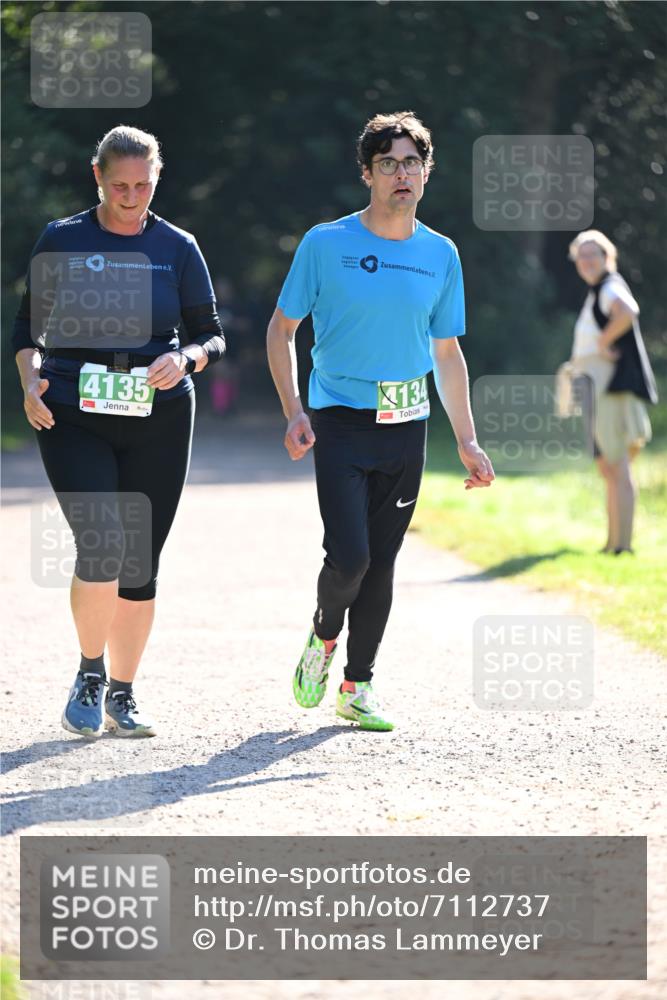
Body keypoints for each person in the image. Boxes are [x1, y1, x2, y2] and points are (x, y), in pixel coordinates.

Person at [267, 111, 494, 732]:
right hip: (338, 419)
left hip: (405, 425)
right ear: (367, 173)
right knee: (350, 558)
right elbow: (282, 329)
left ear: (427, 173)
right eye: (388, 163)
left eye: (412, 163)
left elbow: (447, 353)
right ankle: (322, 637)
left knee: (384, 562)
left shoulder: (441, 254)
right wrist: (294, 410)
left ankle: (358, 685)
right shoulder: (325, 243)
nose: (402, 174)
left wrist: (468, 440)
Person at [12, 125, 225, 738]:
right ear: (98, 178)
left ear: (157, 179)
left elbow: (211, 333)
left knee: (139, 563)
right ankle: (89, 672)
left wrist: (187, 359)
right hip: (73, 412)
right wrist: (30, 383)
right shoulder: (64, 238)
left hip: (158, 414)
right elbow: (26, 331)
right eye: (120, 184)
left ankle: (124, 694)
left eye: (144, 184)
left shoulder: (178, 246)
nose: (132, 197)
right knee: (102, 545)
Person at [567, 230, 657, 554]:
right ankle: (612, 544)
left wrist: (605, 342)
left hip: (608, 387)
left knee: (617, 466)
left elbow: (628, 311)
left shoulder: (611, 286)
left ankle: (622, 547)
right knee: (609, 468)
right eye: (582, 256)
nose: (587, 261)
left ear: (608, 258)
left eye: (594, 254)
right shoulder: (597, 291)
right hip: (596, 385)